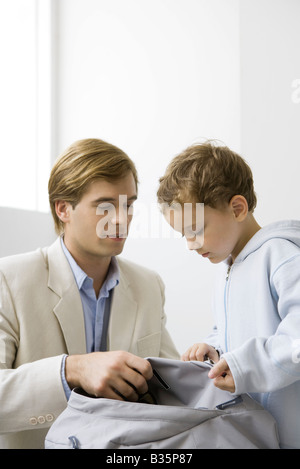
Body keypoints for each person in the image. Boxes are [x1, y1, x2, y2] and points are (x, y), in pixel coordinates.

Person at [0, 138, 179, 449]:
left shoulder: (149, 285)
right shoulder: (9, 280)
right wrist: (72, 370)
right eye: (105, 206)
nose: (122, 219)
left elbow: (173, 390)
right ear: (63, 209)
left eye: (129, 205)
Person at [157, 140, 300, 449]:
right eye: (184, 235)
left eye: (195, 229)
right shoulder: (230, 268)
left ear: (237, 208)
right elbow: (236, 331)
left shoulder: (282, 255)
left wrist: (244, 366)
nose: (191, 244)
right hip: (256, 432)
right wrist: (215, 348)